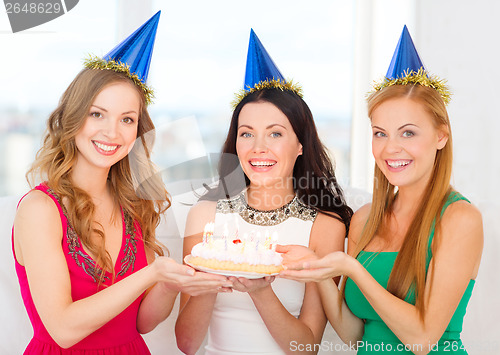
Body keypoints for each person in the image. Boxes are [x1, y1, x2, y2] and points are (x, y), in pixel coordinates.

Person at [12, 12, 230, 354]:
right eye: (97, 114)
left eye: (127, 119)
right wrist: (151, 273)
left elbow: (142, 321)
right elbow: (63, 330)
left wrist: (174, 279)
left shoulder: (133, 204)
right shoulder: (40, 209)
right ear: (73, 117)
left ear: (137, 132)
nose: (112, 132)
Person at [279, 26, 483, 354]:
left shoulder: (460, 218)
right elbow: (351, 333)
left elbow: (422, 339)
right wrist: (318, 269)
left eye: (408, 133)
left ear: (441, 136)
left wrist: (353, 269)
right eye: (380, 133)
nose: (390, 149)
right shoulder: (364, 220)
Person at [175, 29, 352, 354]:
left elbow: (306, 346)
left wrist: (260, 291)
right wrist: (215, 272)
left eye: (275, 134)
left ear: (300, 144)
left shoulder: (326, 227)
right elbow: (187, 344)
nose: (258, 148)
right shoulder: (205, 215)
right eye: (247, 134)